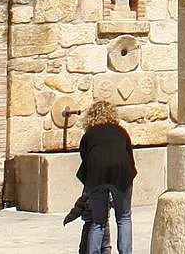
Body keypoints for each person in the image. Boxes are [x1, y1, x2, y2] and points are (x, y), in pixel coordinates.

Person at [74, 101, 134, 254]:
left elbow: (84, 157)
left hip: (96, 176)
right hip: (121, 173)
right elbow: (129, 155)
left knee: (98, 220)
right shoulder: (121, 131)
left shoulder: (89, 134)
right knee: (123, 217)